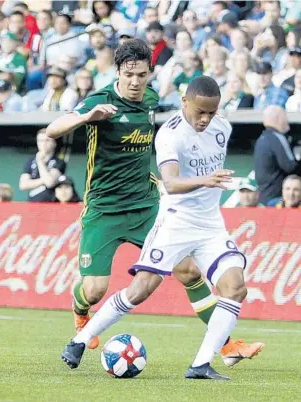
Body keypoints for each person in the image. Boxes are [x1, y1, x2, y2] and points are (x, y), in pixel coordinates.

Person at [46, 39, 259, 364]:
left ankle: (227, 346)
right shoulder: (101, 99)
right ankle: (80, 309)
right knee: (94, 290)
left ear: (149, 73)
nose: (135, 82)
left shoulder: (151, 99)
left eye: (141, 75)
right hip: (104, 208)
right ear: (118, 71)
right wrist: (86, 116)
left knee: (188, 271)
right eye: (129, 74)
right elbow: (52, 129)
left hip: (147, 205)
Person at [254, 105, 301, 205]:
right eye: (285, 117)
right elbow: (290, 167)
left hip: (265, 196)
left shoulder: (262, 138)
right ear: (278, 118)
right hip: (277, 200)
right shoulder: (277, 137)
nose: (287, 121)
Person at [19, 128, 66, 202]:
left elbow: (50, 183)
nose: (43, 143)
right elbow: (23, 185)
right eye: (40, 141)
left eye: (47, 140)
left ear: (54, 143)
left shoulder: (59, 162)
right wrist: (44, 180)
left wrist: (40, 162)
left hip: (51, 203)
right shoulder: (30, 161)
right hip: (32, 203)